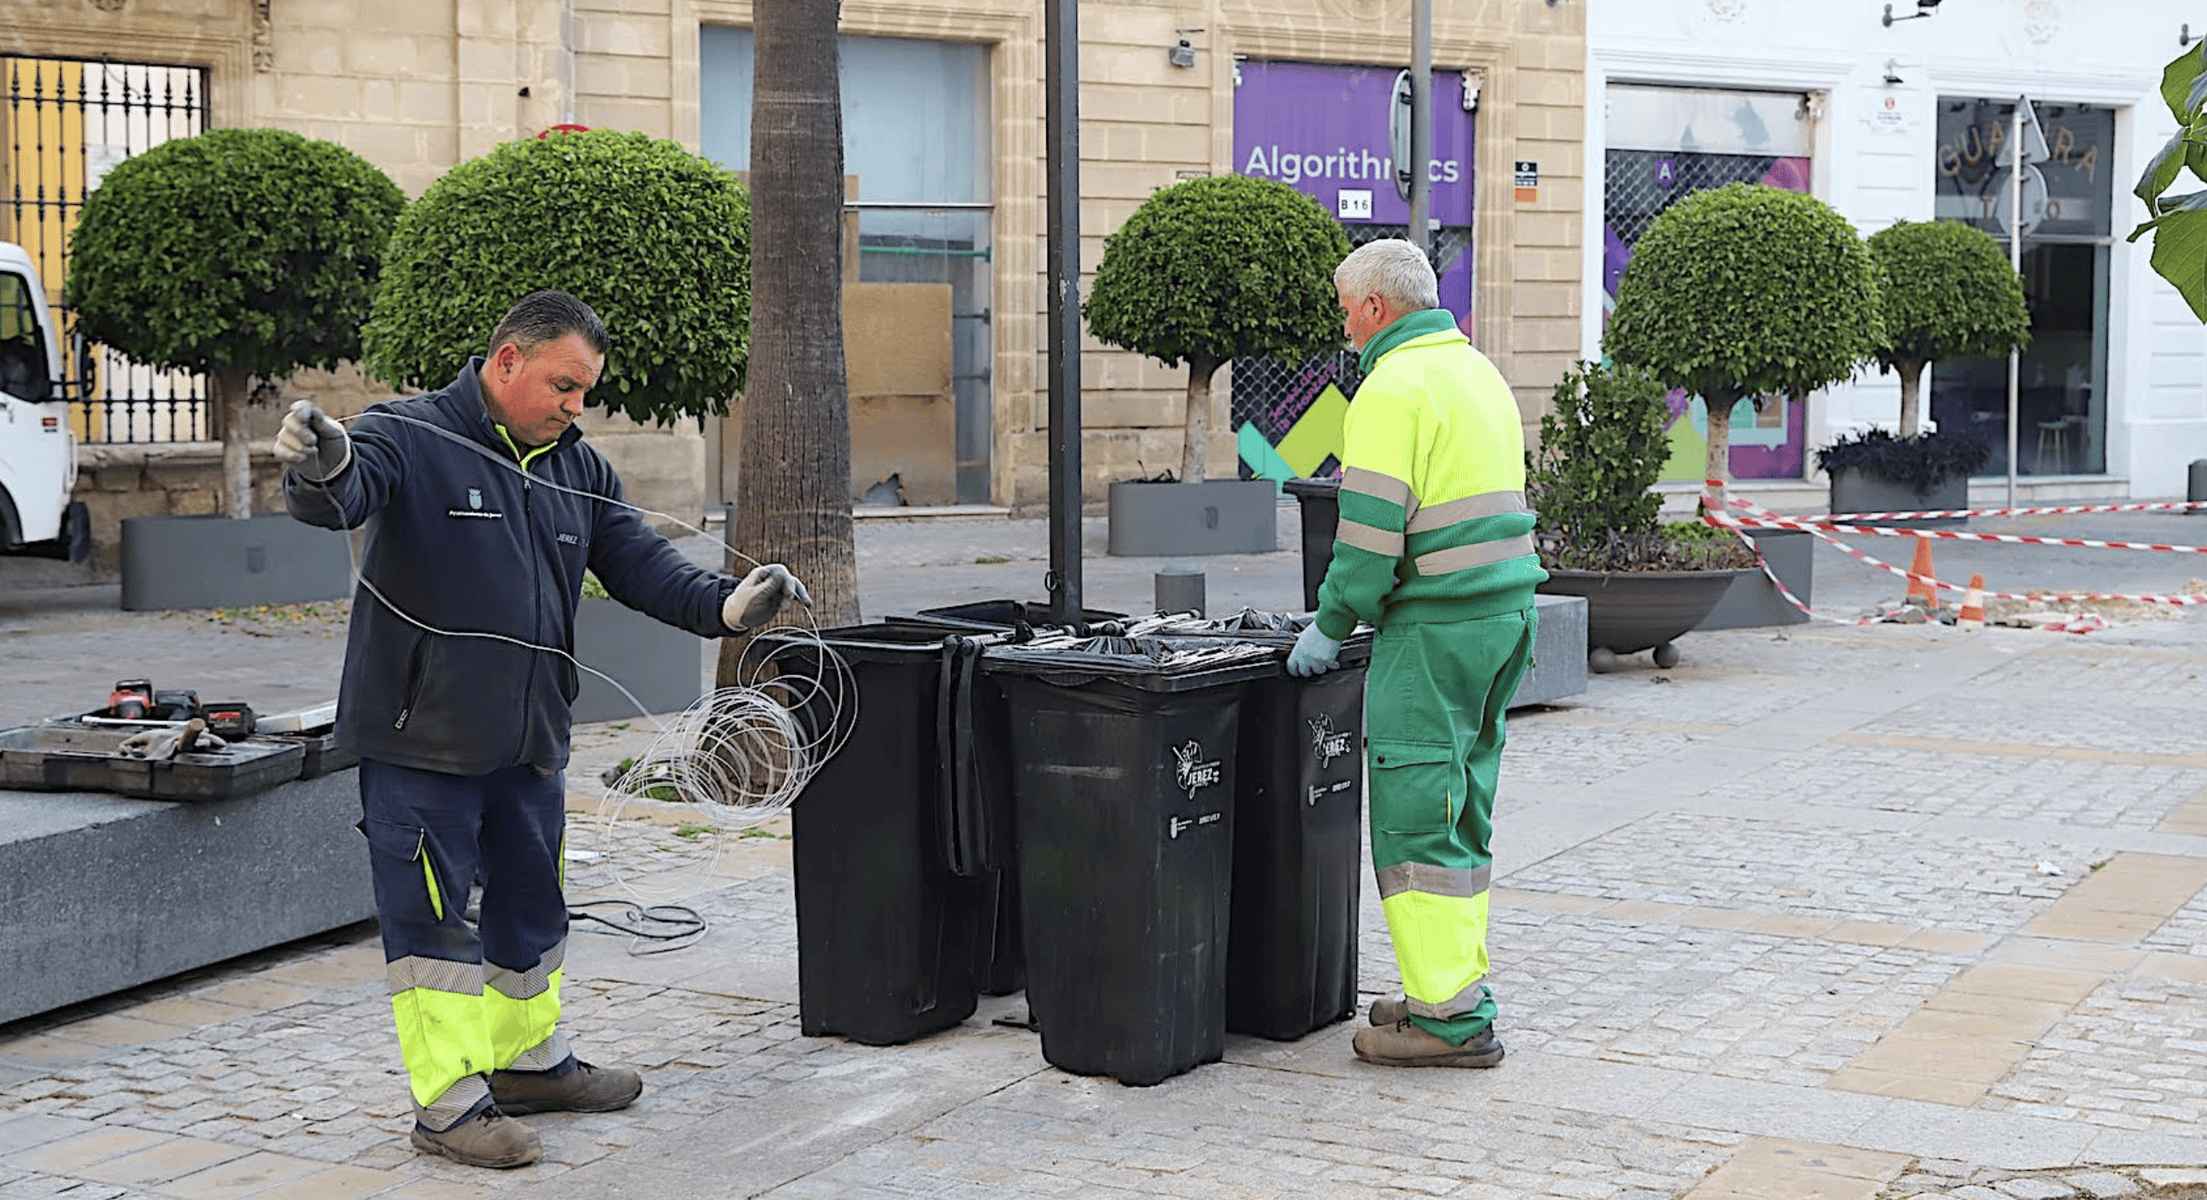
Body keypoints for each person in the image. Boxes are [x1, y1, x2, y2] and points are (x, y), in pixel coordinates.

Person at [274, 290, 809, 1168]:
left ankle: (529, 1065)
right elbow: (341, 489)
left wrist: (725, 607)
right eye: (564, 384)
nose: (576, 405)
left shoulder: (578, 467)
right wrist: (316, 465)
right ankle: (447, 1108)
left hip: (529, 739)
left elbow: (643, 567)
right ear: (507, 360)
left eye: (585, 390)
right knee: (434, 929)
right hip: (421, 742)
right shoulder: (408, 435)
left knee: (533, 910)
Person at [1287, 240, 1544, 1069]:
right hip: (1502, 619)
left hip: (1433, 631)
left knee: (1414, 823)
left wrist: (1330, 623)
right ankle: (1450, 990)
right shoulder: (1475, 371)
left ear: (1372, 308)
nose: (1342, 326)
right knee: (1459, 812)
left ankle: (1447, 1025)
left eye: (1343, 309)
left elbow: (1366, 540)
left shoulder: (1391, 388)